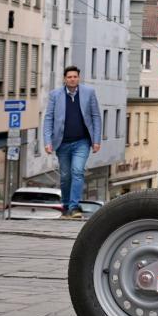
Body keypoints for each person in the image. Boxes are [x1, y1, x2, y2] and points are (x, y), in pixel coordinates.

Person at [42, 66, 103, 218]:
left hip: (82, 142)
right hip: (62, 143)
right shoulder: (55, 95)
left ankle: (74, 207)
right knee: (65, 176)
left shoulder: (89, 93)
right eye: (69, 77)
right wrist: (47, 141)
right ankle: (65, 205)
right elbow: (48, 118)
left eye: (75, 76)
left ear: (79, 78)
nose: (72, 79)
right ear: (65, 79)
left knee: (77, 171)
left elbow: (96, 116)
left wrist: (96, 140)